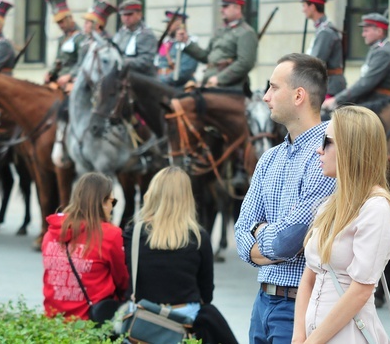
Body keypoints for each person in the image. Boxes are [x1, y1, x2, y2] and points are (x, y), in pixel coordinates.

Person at [235, 53, 336, 343]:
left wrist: (261, 233)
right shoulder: (269, 158)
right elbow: (241, 230)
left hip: (299, 307)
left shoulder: (327, 155)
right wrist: (266, 238)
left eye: (273, 87)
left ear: (299, 95)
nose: (266, 97)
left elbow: (288, 240)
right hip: (262, 302)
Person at [292, 106, 390, 344]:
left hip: (350, 336)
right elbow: (308, 278)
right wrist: (298, 336)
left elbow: (360, 291)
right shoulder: (330, 204)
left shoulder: (377, 209)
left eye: (327, 141)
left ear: (350, 148)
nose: (318, 149)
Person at [123, 166, 237, 344]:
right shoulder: (199, 237)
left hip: (142, 320)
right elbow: (207, 294)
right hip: (184, 319)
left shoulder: (133, 234)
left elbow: (129, 281)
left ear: (152, 193)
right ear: (187, 198)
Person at [42, 172, 129, 320]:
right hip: (90, 323)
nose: (112, 208)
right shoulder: (110, 235)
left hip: (53, 322)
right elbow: (124, 281)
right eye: (112, 202)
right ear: (102, 202)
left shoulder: (50, 233)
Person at [177, 0, 257, 91]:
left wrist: (220, 79)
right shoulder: (220, 30)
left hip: (231, 88)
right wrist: (187, 41)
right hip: (210, 83)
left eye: (225, 6)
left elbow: (245, 63)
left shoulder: (246, 32)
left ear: (237, 8)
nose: (221, 10)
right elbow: (207, 57)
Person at [322, 13, 390, 111]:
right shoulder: (377, 50)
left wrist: (337, 99)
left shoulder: (383, 53)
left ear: (379, 31)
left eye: (366, 31)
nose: (363, 35)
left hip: (378, 105)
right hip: (371, 102)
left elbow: (365, 84)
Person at [301, 0, 346, 98]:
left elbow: (315, 62)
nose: (303, 10)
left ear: (312, 7)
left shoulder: (325, 32)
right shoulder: (322, 29)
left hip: (330, 87)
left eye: (304, 6)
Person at [44, 0, 85, 91]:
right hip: (59, 79)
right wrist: (50, 73)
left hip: (73, 80)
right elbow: (58, 60)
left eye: (62, 22)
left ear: (69, 18)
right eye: (58, 23)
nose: (60, 25)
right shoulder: (62, 38)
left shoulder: (80, 37)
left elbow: (82, 63)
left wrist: (70, 76)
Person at [71, 0, 117, 78]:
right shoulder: (86, 40)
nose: (84, 25)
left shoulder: (106, 43)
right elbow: (79, 64)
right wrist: (70, 76)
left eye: (87, 22)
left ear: (97, 25)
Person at [112, 0, 158, 76]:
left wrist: (123, 62)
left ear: (139, 15)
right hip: (121, 74)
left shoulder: (146, 34)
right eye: (123, 15)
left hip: (140, 77)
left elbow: (145, 61)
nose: (126, 18)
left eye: (130, 14)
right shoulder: (121, 32)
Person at [156, 9, 198, 87]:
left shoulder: (189, 44)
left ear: (180, 24)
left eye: (170, 23)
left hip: (180, 87)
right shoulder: (165, 43)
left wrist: (162, 81)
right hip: (161, 85)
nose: (167, 26)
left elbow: (185, 71)